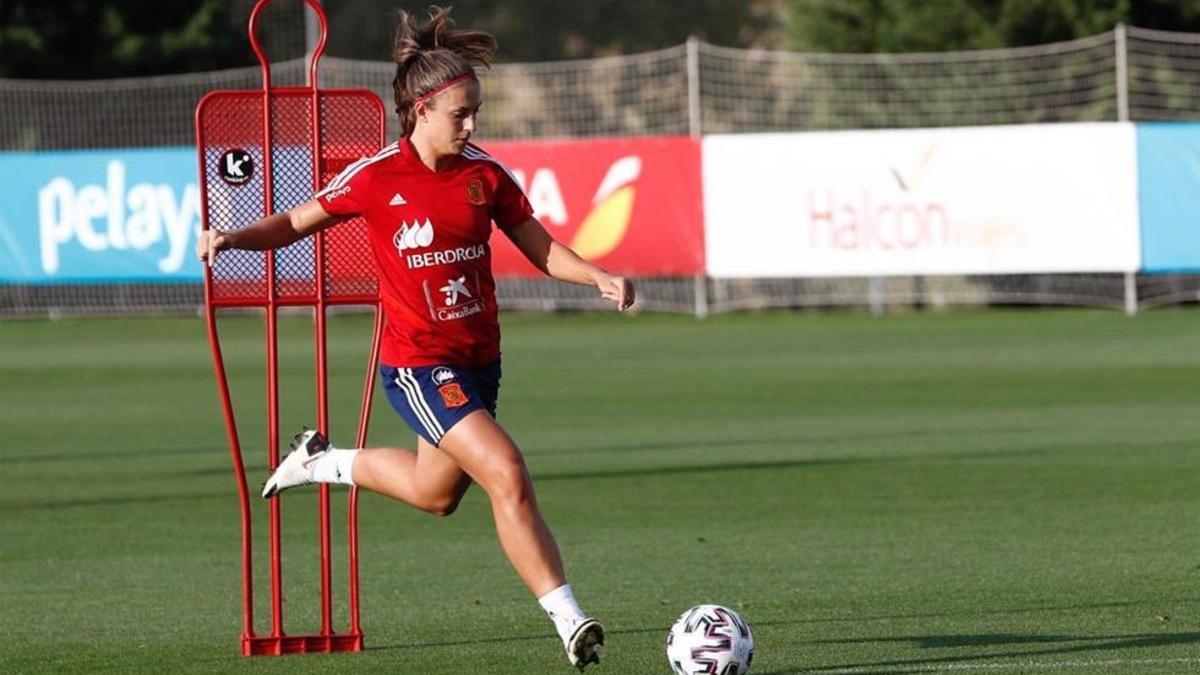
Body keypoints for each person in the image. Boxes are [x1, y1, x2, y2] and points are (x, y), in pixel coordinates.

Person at [196, 6, 633, 670]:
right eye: (461, 113)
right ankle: (570, 619)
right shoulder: (375, 176)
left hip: (479, 361)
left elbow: (541, 249)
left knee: (436, 495)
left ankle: (321, 461)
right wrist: (230, 238)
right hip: (417, 365)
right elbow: (293, 221)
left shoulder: (484, 174)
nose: (472, 124)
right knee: (506, 470)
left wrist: (596, 275)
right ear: (420, 110)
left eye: (476, 110)